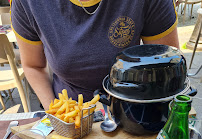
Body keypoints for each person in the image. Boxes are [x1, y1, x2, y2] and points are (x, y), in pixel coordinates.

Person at [11, 0, 179, 110]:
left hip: (132, 107)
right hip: (68, 109)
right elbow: (33, 66)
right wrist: (55, 112)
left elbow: (168, 65)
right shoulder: (28, 3)